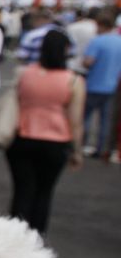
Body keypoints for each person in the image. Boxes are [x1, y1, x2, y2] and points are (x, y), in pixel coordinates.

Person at [6, 29, 85, 234]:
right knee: (44, 192)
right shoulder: (74, 81)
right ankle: (36, 239)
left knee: (22, 191)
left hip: (23, 136)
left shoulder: (25, 73)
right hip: (55, 141)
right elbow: (75, 120)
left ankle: (14, 237)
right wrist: (77, 150)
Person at [81, 13, 121, 158]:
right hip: (111, 86)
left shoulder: (97, 41)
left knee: (85, 117)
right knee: (105, 120)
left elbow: (88, 62)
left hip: (94, 84)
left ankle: (81, 144)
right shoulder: (119, 41)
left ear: (102, 26)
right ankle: (101, 149)